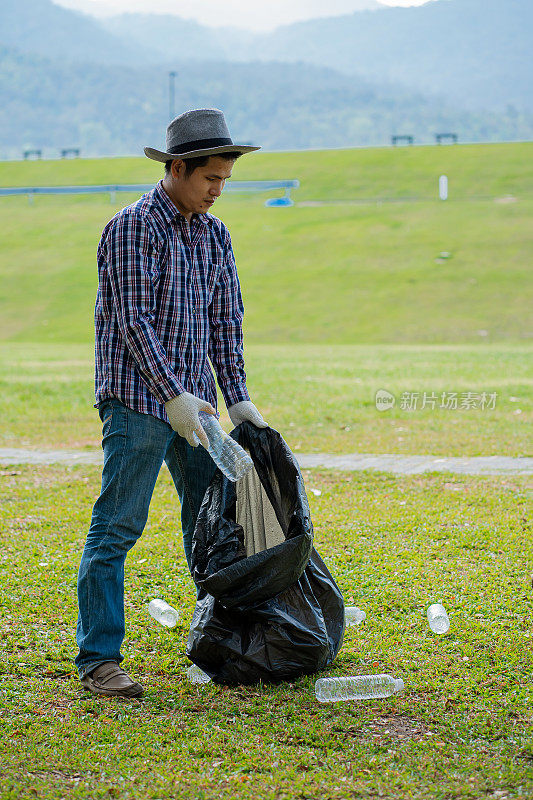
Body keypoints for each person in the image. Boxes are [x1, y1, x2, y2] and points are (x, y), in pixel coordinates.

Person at [75, 108, 268, 698]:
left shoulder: (215, 235)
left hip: (201, 412)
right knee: (116, 527)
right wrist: (170, 395)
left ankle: (215, 641)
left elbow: (224, 321)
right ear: (177, 168)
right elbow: (133, 323)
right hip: (138, 403)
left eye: (225, 181)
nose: (217, 191)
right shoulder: (131, 228)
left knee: (209, 525)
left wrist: (235, 401)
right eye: (211, 178)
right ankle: (100, 660)